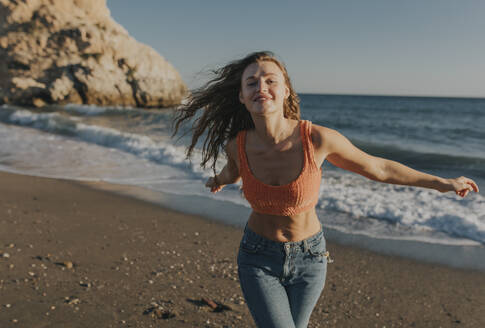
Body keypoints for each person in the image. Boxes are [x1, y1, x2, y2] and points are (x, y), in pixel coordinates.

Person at [172, 51, 479, 328]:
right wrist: (219, 181)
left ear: (286, 90)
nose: (261, 87)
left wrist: (442, 183)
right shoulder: (237, 145)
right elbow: (233, 171)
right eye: (251, 82)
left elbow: (378, 168)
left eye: (270, 80)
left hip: (310, 258)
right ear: (241, 95)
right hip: (257, 257)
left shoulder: (316, 139)